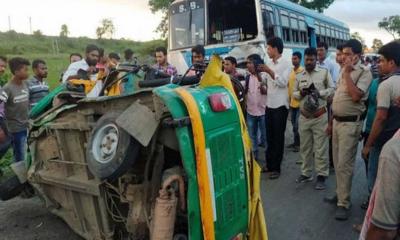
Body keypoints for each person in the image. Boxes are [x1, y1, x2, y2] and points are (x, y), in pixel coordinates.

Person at [327, 39, 373, 220]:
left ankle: (343, 203)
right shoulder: (342, 70)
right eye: (342, 53)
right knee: (337, 162)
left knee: (345, 164)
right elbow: (338, 97)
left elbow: (355, 96)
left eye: (347, 54)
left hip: (350, 125)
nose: (343, 57)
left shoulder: (364, 73)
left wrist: (347, 72)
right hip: (338, 122)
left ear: (357, 55)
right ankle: (340, 193)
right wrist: (331, 122)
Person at [361, 41, 400, 204]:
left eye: (382, 60)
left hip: (383, 142)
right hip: (396, 140)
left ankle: (374, 223)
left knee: (375, 181)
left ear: (392, 63)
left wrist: (369, 144)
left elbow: (381, 118)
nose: (379, 64)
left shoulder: (386, 85)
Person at [293, 47, 334, 190]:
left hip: (319, 116)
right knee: (305, 147)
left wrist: (320, 93)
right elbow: (294, 94)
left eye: (312, 59)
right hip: (304, 117)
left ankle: (321, 176)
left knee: (320, 147)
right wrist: (301, 93)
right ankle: (306, 173)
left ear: (316, 59)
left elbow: (332, 89)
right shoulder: (300, 75)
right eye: (307, 59)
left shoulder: (324, 73)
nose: (309, 62)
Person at [258, 37, 291, 179]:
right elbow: (265, 81)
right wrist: (258, 74)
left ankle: (276, 168)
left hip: (280, 105)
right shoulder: (268, 63)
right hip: (269, 104)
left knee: (278, 138)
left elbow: (283, 82)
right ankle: (269, 164)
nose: (267, 51)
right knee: (269, 137)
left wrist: (269, 71)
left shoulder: (286, 63)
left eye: (269, 48)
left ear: (276, 48)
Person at [359, 129, 400, 240]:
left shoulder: (394, 148)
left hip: (380, 142)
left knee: (374, 184)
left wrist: (368, 144)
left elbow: (383, 231)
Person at [0, 57, 30, 163]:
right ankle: (20, 177)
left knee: (26, 152)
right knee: (20, 155)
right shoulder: (7, 88)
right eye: (25, 70)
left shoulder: (25, 84)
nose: (27, 72)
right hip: (15, 129)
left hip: (26, 125)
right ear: (16, 72)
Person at [244, 54, 268, 162]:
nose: (248, 65)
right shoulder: (248, 77)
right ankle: (254, 157)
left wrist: (259, 77)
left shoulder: (264, 75)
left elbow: (265, 91)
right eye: (247, 63)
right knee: (252, 136)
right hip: (251, 111)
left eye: (250, 63)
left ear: (257, 64)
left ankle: (269, 157)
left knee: (265, 137)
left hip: (263, 112)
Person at [287, 51, 304, 153]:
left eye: (295, 59)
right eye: (292, 59)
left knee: (297, 125)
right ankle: (295, 142)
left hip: (300, 104)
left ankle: (299, 145)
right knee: (293, 124)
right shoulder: (292, 71)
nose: (293, 60)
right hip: (292, 103)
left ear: (300, 59)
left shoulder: (302, 72)